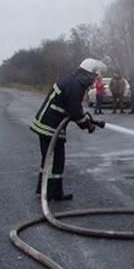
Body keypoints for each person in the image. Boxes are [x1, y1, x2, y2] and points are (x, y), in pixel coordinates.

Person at [31, 58, 106, 200]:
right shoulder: (75, 86)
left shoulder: (72, 81)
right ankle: (50, 194)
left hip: (51, 125)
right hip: (50, 126)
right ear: (89, 74)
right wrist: (87, 125)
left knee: (51, 160)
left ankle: (48, 191)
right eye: (94, 77)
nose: (93, 81)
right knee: (54, 160)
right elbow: (75, 113)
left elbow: (73, 111)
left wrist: (86, 121)